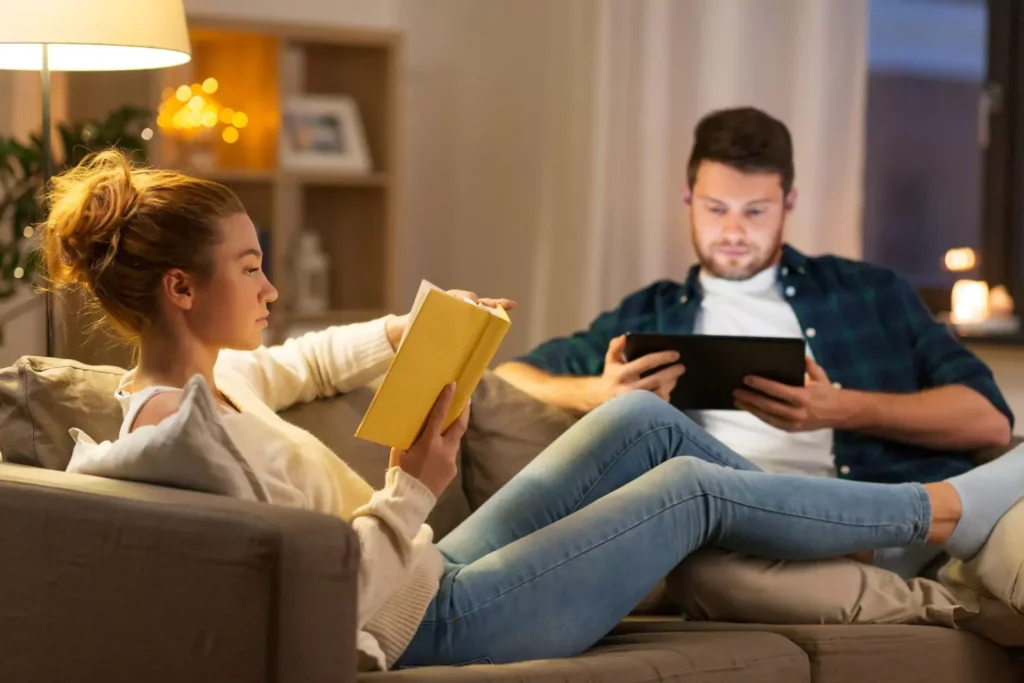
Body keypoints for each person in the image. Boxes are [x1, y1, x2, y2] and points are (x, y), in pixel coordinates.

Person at [41, 149, 1024, 669]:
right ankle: (945, 510)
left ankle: (901, 519)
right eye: (250, 266)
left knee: (637, 421)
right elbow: (323, 601)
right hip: (426, 620)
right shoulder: (170, 443)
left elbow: (307, 356)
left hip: (424, 570)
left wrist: (423, 326)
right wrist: (410, 487)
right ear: (179, 288)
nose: (269, 289)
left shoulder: (222, 378)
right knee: (684, 487)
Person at [496, 106, 1014, 579]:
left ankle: (908, 523)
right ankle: (935, 515)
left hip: (862, 508)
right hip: (739, 520)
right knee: (688, 498)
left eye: (755, 211)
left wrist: (841, 409)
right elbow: (509, 378)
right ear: (688, 201)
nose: (734, 230)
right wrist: (600, 396)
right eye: (716, 209)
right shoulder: (650, 313)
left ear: (789, 202)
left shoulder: (869, 293)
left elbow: (989, 420)